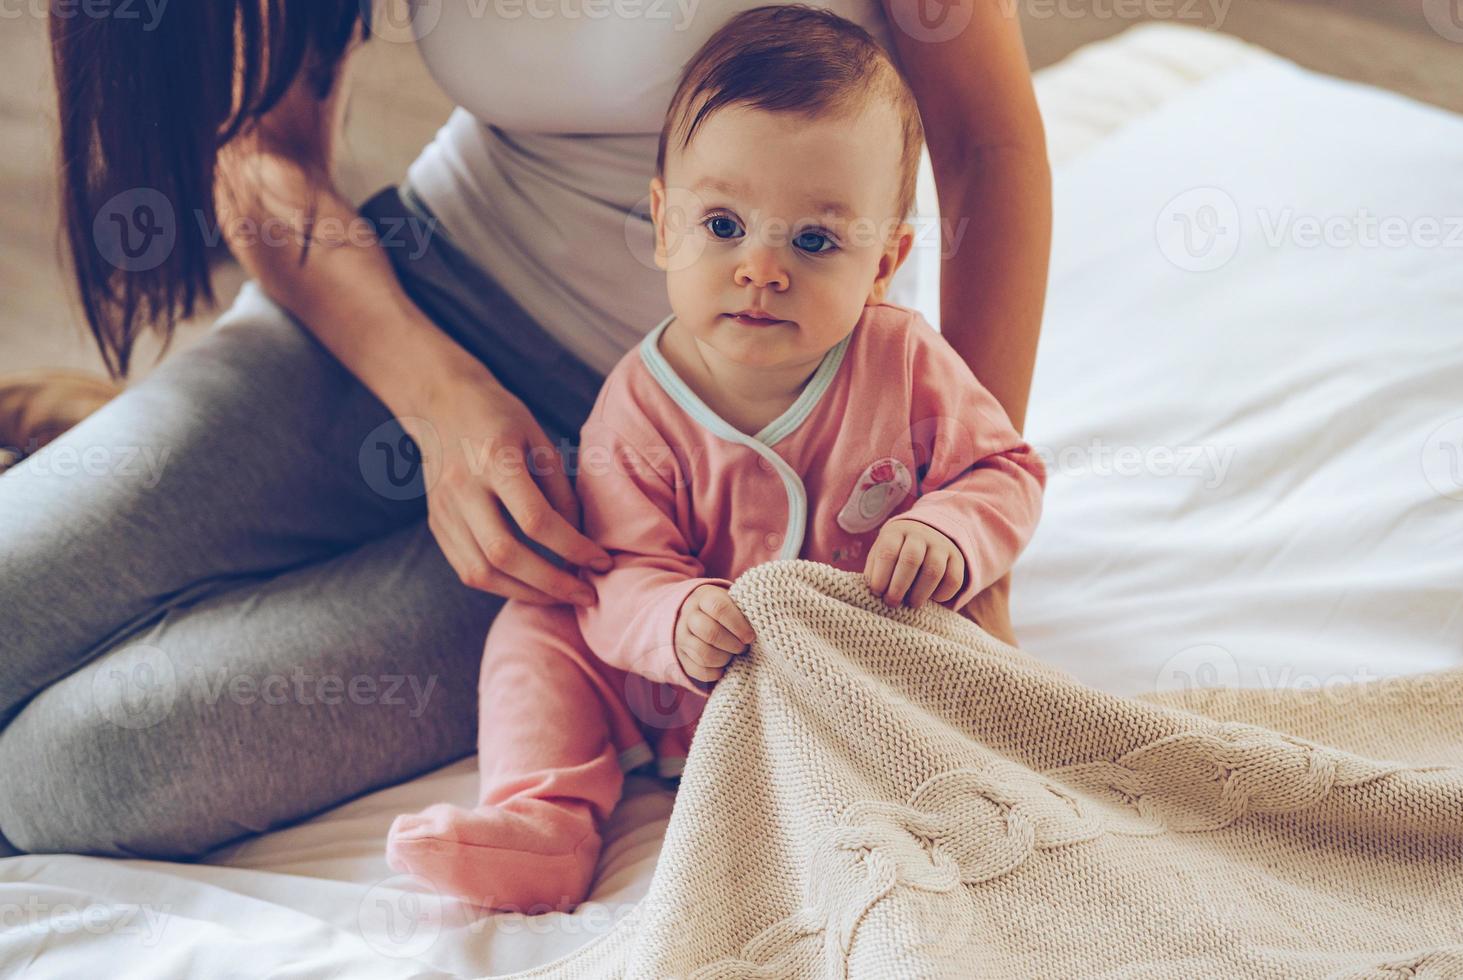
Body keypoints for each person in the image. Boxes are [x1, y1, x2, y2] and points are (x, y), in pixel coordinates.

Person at [0, 0, 1051, 859]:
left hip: (640, 495)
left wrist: (973, 553)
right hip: (398, 319)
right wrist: (438, 401)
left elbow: (985, 147)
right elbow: (262, 155)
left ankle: (108, 434)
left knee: (82, 770)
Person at [381, 5, 1047, 914]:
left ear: (883, 262)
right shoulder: (640, 404)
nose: (761, 269)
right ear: (662, 226)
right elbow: (622, 575)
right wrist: (675, 617)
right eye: (722, 225)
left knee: (957, 670)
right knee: (537, 629)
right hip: (663, 689)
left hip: (844, 664)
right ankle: (546, 820)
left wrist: (949, 531)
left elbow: (1003, 473)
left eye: (814, 241)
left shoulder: (906, 365)